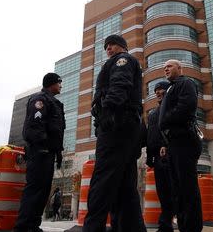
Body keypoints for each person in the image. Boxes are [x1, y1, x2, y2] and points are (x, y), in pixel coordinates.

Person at [83, 34, 146, 232]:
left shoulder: (123, 60)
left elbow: (120, 85)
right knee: (125, 185)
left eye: (111, 45)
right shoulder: (123, 62)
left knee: (103, 180)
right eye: (106, 47)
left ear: (121, 46)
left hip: (116, 126)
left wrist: (107, 113)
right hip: (125, 128)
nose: (108, 49)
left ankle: (93, 228)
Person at [14, 73, 65, 232]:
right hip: (39, 152)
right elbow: (35, 125)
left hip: (48, 153)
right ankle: (24, 226)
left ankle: (33, 226)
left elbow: (56, 131)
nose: (61, 86)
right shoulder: (40, 99)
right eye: (59, 83)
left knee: (43, 191)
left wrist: (57, 152)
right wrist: (42, 145)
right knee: (34, 189)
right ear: (52, 83)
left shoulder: (54, 102)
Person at [158, 59, 203, 232]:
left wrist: (166, 120)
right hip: (174, 143)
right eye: (164, 67)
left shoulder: (186, 83)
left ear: (179, 68)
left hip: (185, 141)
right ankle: (184, 226)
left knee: (187, 188)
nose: (166, 69)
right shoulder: (171, 87)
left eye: (169, 66)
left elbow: (187, 107)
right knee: (178, 190)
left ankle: (192, 228)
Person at [147, 80, 174, 232]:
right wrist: (149, 156)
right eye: (156, 90)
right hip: (157, 157)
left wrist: (167, 145)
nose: (158, 92)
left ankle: (166, 223)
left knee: (171, 191)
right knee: (162, 192)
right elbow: (151, 136)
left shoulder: (173, 109)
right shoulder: (152, 114)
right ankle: (166, 224)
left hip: (169, 155)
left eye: (161, 90)